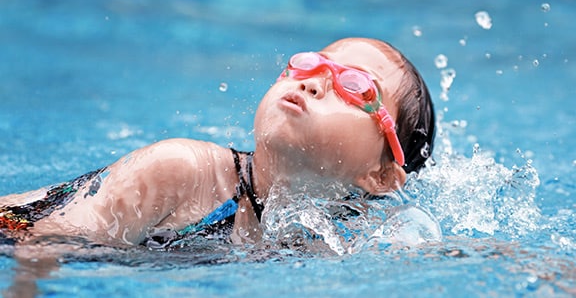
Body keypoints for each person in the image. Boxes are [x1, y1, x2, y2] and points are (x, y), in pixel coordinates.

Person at [0, 37, 435, 248]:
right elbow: (43, 245)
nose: (315, 83)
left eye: (356, 86)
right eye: (313, 64)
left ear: (380, 175)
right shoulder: (181, 171)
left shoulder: (325, 240)